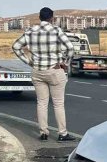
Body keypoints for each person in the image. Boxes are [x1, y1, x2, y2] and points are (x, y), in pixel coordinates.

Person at [12, 7, 75, 141]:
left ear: (39, 17)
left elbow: (16, 46)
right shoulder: (56, 31)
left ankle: (43, 132)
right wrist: (65, 62)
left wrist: (28, 61)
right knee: (58, 104)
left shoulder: (30, 31)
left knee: (42, 102)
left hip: (37, 71)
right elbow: (70, 48)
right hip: (54, 70)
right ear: (52, 18)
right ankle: (62, 133)